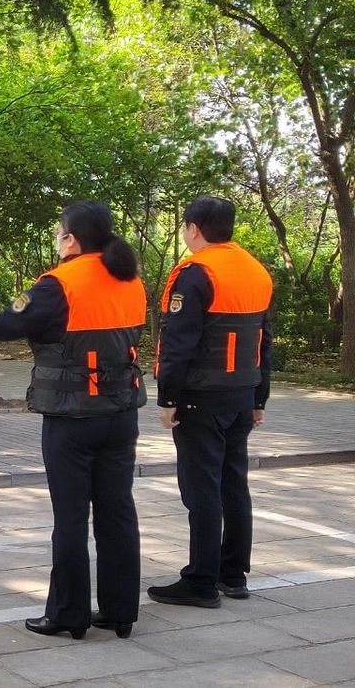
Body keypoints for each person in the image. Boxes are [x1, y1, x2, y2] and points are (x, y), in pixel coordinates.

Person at [0, 201, 146, 640]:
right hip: (121, 412)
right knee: (118, 511)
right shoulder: (130, 279)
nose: (57, 239)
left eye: (59, 233)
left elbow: (10, 321)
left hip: (73, 418)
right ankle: (121, 611)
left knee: (70, 517)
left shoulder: (57, 284)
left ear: (71, 239)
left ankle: (69, 615)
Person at [148, 197, 273, 608]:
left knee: (201, 489)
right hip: (241, 395)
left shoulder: (196, 274)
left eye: (185, 227)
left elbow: (179, 343)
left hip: (201, 399)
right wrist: (260, 397)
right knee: (234, 484)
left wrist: (167, 397)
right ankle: (232, 574)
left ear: (194, 228)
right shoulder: (255, 271)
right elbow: (262, 341)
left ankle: (200, 581)